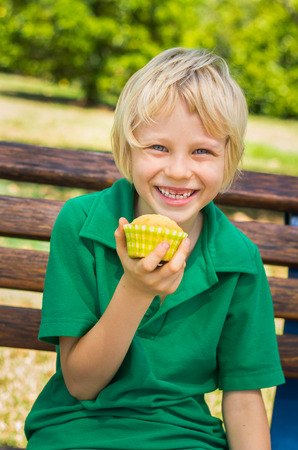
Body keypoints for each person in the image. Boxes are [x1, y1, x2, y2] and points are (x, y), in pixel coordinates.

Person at [25, 47, 284, 450]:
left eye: (202, 151)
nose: (179, 171)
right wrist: (137, 289)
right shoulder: (80, 224)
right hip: (77, 430)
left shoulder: (239, 260)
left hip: (185, 438)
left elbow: (243, 399)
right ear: (127, 148)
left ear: (229, 157)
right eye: (158, 148)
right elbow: (80, 383)